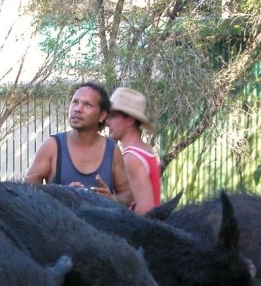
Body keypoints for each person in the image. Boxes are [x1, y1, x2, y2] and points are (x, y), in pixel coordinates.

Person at [24, 82, 133, 206]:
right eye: (75, 102)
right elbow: (26, 191)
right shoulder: (52, 146)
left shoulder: (112, 150)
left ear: (102, 115)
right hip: (59, 224)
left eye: (87, 104)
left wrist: (112, 199)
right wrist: (61, 193)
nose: (77, 109)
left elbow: (128, 196)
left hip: (101, 225)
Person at [105, 87, 161, 215]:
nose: (107, 123)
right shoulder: (145, 149)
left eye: (113, 117)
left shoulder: (131, 157)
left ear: (130, 120)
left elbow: (145, 209)